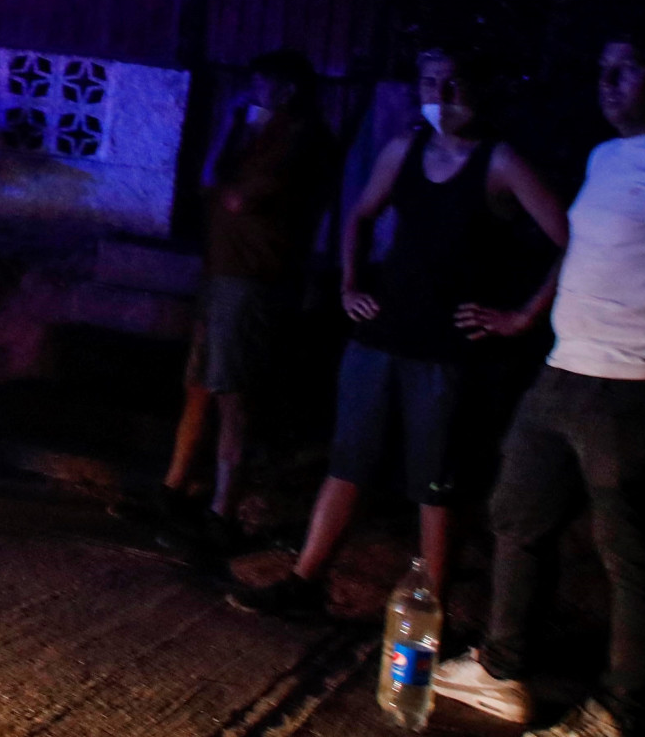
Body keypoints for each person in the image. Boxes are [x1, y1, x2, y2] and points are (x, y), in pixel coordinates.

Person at [232, 47, 568, 617]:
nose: (442, 96)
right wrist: (350, 285)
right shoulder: (403, 149)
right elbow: (360, 215)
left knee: (435, 485)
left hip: (445, 349)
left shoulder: (500, 162)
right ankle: (305, 580)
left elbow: (569, 238)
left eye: (454, 83)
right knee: (349, 462)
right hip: (381, 335)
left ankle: (429, 612)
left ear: (478, 90)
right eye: (430, 83)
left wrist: (522, 315)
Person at [432, 23, 645, 737]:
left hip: (631, 389)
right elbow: (581, 248)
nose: (608, 82)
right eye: (603, 68)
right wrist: (527, 316)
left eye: (626, 68)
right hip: (562, 371)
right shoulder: (608, 156)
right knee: (517, 514)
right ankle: (503, 670)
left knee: (629, 555)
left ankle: (622, 715)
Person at [158, 49, 336, 552]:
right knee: (199, 383)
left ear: (289, 91)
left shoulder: (301, 139)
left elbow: (238, 197)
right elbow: (211, 181)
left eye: (266, 87)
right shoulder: (256, 132)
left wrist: (241, 139)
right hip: (222, 271)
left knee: (234, 392)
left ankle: (223, 509)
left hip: (256, 277)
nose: (257, 95)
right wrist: (233, 123)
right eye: (254, 85)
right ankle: (174, 488)